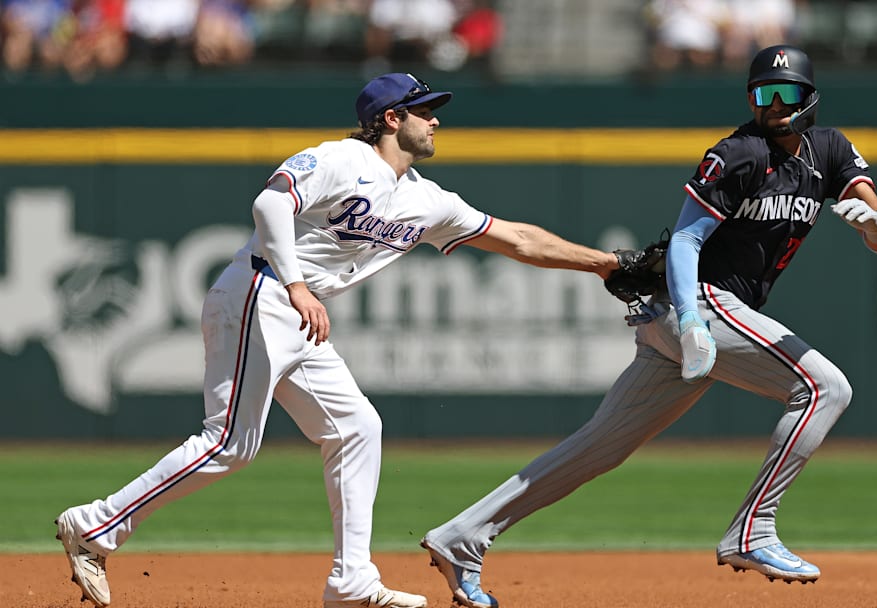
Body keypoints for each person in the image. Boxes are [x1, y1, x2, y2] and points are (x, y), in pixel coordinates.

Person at [54, 72, 622, 608]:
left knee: (357, 427)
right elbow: (270, 203)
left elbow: (516, 238)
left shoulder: (429, 201)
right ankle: (92, 527)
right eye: (426, 111)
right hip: (263, 289)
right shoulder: (340, 158)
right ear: (393, 118)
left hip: (295, 311)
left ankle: (353, 580)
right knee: (229, 442)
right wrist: (298, 285)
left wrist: (603, 264)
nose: (436, 122)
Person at [420, 44, 877, 608]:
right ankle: (753, 531)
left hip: (697, 317)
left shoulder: (830, 149)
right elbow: (687, 239)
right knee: (825, 387)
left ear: (810, 97)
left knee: (598, 449)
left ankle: (462, 537)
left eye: (785, 94)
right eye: (762, 95)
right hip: (694, 304)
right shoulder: (739, 153)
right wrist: (692, 317)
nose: (772, 105)